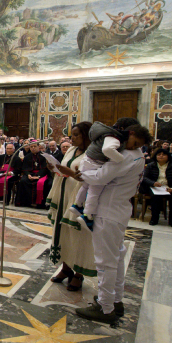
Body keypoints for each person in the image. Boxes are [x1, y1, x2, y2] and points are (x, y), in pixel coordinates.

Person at [58, 124, 151, 323]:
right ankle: (115, 300)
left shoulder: (126, 155)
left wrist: (78, 174)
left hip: (108, 212)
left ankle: (105, 308)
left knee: (105, 262)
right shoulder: (138, 153)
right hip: (119, 209)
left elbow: (100, 177)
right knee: (115, 257)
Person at [68, 118, 140, 231]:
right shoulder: (119, 144)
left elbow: (100, 177)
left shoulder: (128, 153)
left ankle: (84, 211)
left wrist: (82, 175)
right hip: (112, 208)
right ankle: (83, 210)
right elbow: (100, 177)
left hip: (111, 208)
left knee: (91, 190)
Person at [47, 122, 93, 292]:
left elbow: (91, 178)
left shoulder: (93, 154)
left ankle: (78, 274)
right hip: (64, 194)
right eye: (71, 134)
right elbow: (63, 169)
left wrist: (69, 172)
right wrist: (54, 168)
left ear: (86, 135)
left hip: (78, 198)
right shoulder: (72, 150)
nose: (71, 138)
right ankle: (66, 268)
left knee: (77, 234)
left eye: (76, 135)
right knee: (63, 232)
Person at [140, 148, 172, 228]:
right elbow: (145, 178)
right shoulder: (151, 165)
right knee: (155, 197)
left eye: (164, 155)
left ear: (168, 156)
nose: (161, 156)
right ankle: (154, 219)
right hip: (155, 187)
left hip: (170, 188)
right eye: (159, 155)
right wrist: (153, 183)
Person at [15, 141, 51, 209]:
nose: (33, 148)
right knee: (23, 181)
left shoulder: (44, 156)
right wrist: (28, 175)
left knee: (44, 183)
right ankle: (26, 202)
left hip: (41, 174)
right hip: (30, 174)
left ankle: (40, 204)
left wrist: (38, 176)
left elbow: (45, 168)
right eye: (31, 147)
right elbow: (24, 168)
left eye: (35, 146)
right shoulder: (27, 157)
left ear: (38, 147)